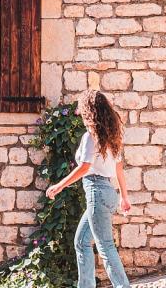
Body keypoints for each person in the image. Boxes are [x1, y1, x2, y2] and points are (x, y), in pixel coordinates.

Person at [45, 89, 134, 288]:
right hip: (108, 193)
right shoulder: (112, 136)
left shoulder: (90, 137)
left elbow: (84, 167)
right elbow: (118, 167)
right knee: (81, 242)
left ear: (88, 111)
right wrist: (123, 197)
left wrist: (59, 186)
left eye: (81, 108)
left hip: (97, 191)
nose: (79, 112)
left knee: (105, 246)